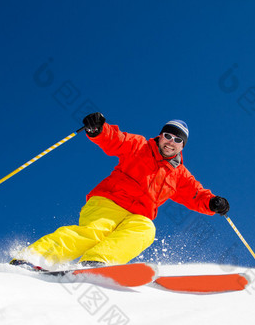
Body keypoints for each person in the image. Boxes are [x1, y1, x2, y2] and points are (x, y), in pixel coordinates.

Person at [15, 112, 229, 269]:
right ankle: (34, 257)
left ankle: (97, 261)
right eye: (168, 135)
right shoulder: (140, 146)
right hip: (109, 203)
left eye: (177, 140)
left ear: (183, 146)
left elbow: (196, 194)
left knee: (146, 230)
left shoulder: (180, 175)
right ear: (160, 136)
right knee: (96, 232)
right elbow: (115, 140)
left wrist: (212, 203)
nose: (171, 142)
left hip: (137, 216)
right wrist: (98, 129)